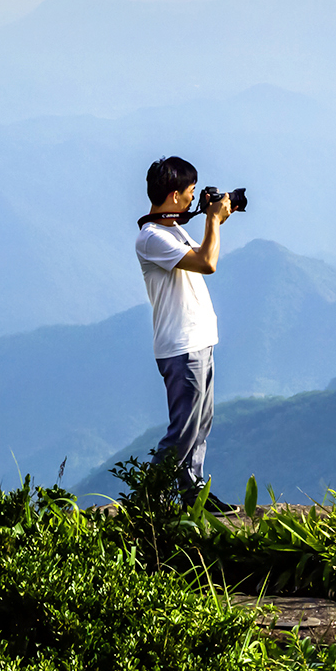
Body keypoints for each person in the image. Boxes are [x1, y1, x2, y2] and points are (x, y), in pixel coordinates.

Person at [135, 155, 234, 511]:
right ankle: (149, 501)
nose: (193, 199)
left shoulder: (171, 227)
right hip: (180, 346)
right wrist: (213, 220)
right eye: (191, 193)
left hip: (199, 340)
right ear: (175, 194)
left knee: (200, 424)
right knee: (183, 430)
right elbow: (207, 262)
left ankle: (194, 495)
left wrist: (210, 215)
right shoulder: (151, 237)